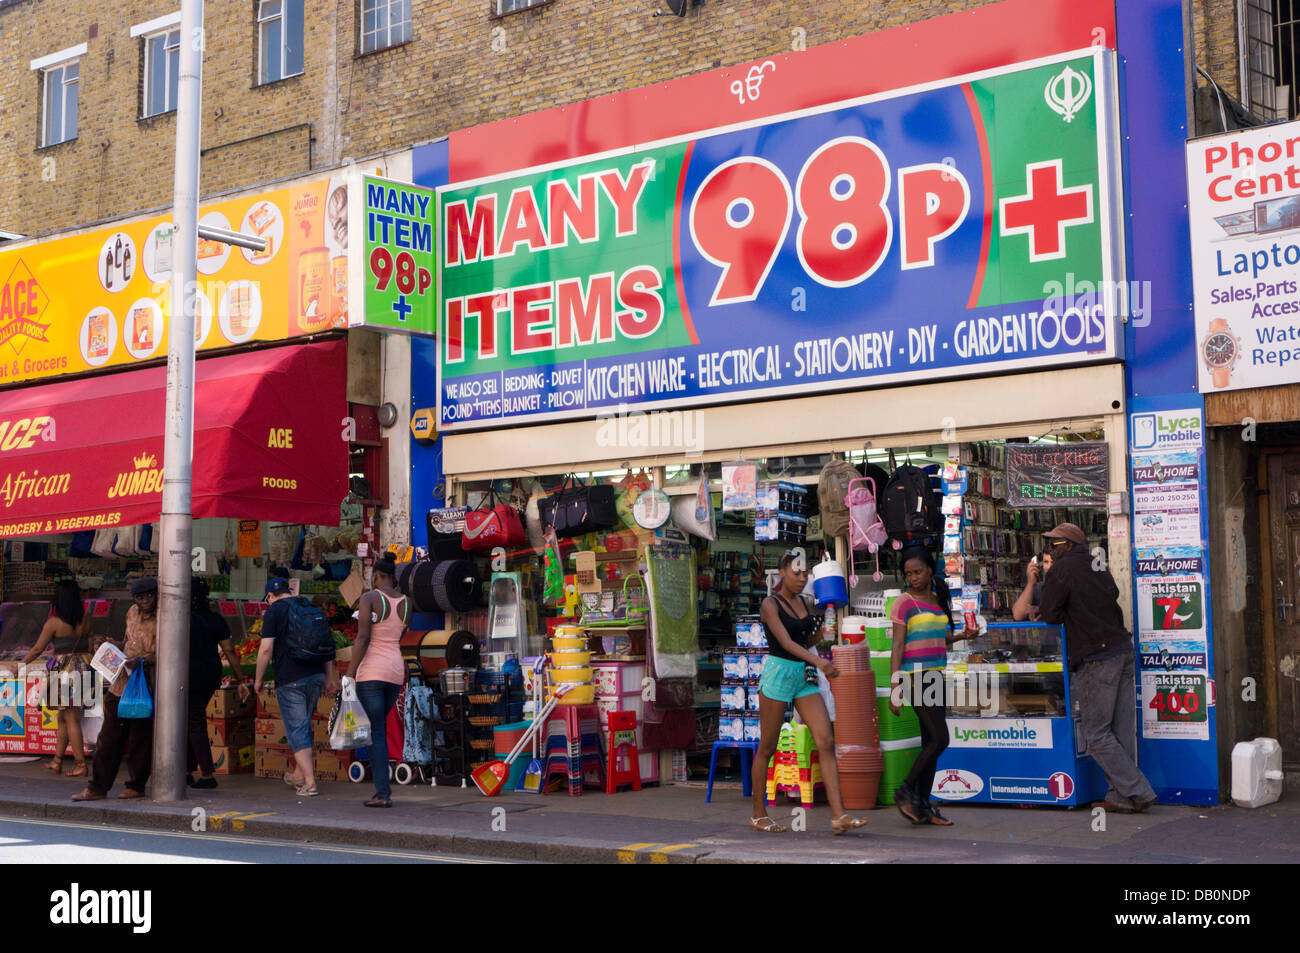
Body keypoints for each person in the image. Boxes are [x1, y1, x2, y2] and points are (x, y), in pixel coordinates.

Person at [1037, 522, 1157, 813]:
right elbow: (1113, 594)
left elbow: (1050, 615)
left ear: (1066, 546)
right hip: (1121, 649)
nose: (1050, 551)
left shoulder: (1061, 570)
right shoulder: (1098, 565)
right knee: (1120, 732)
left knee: (1097, 734)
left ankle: (1138, 790)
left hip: (1095, 656)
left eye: (1053, 546)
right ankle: (1119, 796)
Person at [749, 550, 868, 835]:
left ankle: (838, 815)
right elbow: (787, 642)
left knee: (826, 740)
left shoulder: (806, 603)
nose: (802, 579)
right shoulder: (770, 604)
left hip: (804, 676)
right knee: (767, 746)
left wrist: (826, 630)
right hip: (779, 674)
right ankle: (757, 815)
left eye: (806, 574)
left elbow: (809, 639)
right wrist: (820, 661)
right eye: (797, 573)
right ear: (782, 572)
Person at [888, 547, 976, 825]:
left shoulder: (938, 601)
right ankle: (904, 791)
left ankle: (923, 808)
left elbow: (940, 638)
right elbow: (898, 645)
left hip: (937, 675)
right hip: (914, 676)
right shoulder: (903, 602)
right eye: (908, 573)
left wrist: (961, 635)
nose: (913, 577)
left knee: (931, 741)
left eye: (918, 571)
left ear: (930, 570)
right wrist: (895, 686)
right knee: (941, 739)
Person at [73, 577, 159, 801]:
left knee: (141, 739)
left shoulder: (165, 617)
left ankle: (136, 785)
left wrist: (142, 660)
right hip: (121, 683)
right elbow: (128, 641)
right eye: (141, 597)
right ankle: (97, 787)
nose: (146, 600)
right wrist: (114, 646)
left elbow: (169, 652)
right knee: (108, 737)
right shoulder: (131, 612)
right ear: (134, 599)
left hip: (145, 684)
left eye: (150, 595)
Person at [254, 577, 339, 797]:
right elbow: (326, 644)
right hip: (315, 676)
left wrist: (258, 679)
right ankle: (298, 775)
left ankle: (310, 782)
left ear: (270, 596)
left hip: (290, 679)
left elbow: (265, 650)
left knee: (297, 728)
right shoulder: (307, 606)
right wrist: (329, 678)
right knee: (303, 726)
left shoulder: (273, 611)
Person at [351, 558, 410, 808]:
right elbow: (400, 634)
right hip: (396, 673)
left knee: (375, 732)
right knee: (379, 729)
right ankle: (382, 791)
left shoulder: (369, 599)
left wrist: (349, 674)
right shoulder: (406, 602)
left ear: (376, 576)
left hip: (372, 673)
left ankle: (382, 794)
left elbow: (362, 637)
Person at [23, 579, 93, 777]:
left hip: (64, 672)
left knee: (71, 718)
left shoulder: (53, 623)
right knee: (63, 717)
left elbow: (38, 648)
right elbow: (90, 647)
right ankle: (57, 761)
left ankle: (81, 764)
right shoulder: (85, 622)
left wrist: (20, 665)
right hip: (82, 669)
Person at [186, 577, 250, 789]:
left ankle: (207, 774)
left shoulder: (182, 618)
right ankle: (186, 770)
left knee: (194, 722)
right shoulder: (215, 619)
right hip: (211, 674)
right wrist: (240, 679)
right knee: (188, 721)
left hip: (190, 675)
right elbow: (229, 650)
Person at [1011, 549, 1054, 622]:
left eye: (1053, 562)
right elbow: (1017, 615)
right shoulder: (1038, 588)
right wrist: (1031, 583)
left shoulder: (1069, 585)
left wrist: (1041, 610)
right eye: (1046, 562)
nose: (1049, 567)